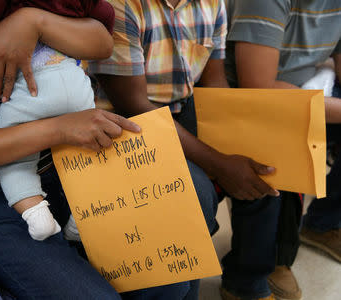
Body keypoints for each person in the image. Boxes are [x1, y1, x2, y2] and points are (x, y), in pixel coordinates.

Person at [0, 0, 193, 298]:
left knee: (172, 278)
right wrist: (57, 129)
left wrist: (34, 21)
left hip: (79, 166)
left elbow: (101, 39)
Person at [88, 0, 280, 299]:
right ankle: (184, 286)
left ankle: (245, 284)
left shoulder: (212, 4)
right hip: (124, 124)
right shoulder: (122, 6)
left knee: (265, 166)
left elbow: (214, 81)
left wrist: (240, 141)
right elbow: (135, 107)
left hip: (183, 110)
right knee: (196, 192)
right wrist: (220, 164)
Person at [0, 0, 115, 242]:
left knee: (12, 154)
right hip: (76, 85)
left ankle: (35, 212)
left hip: (35, 87)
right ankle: (85, 217)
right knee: (86, 152)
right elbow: (106, 14)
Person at [225, 0, 341, 299]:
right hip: (248, 101)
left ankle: (322, 223)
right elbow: (257, 89)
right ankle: (247, 279)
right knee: (270, 162)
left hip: (303, 89)